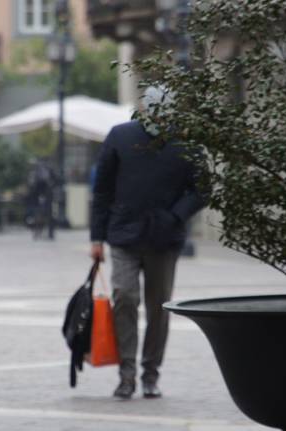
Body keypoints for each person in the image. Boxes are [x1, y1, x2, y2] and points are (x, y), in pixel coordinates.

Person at [90, 86, 205, 399]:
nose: (159, 115)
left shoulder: (186, 143)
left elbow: (202, 188)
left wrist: (176, 216)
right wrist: (96, 237)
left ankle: (150, 374)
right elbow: (102, 191)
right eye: (154, 109)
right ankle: (126, 374)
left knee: (159, 308)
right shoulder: (120, 136)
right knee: (124, 297)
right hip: (124, 234)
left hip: (164, 238)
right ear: (145, 109)